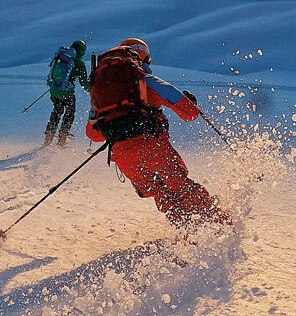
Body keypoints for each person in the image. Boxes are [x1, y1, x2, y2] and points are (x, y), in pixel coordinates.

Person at [85, 38, 230, 228]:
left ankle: (186, 230)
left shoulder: (101, 93)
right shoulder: (145, 80)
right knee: (181, 186)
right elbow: (189, 113)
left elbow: (93, 135)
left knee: (162, 193)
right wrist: (190, 101)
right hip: (152, 147)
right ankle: (220, 224)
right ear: (142, 58)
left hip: (123, 157)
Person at [42, 39, 89, 146]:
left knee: (56, 111)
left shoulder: (61, 58)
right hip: (67, 93)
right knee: (70, 112)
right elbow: (84, 84)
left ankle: (48, 138)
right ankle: (62, 139)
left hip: (54, 90)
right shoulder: (79, 64)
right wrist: (93, 88)